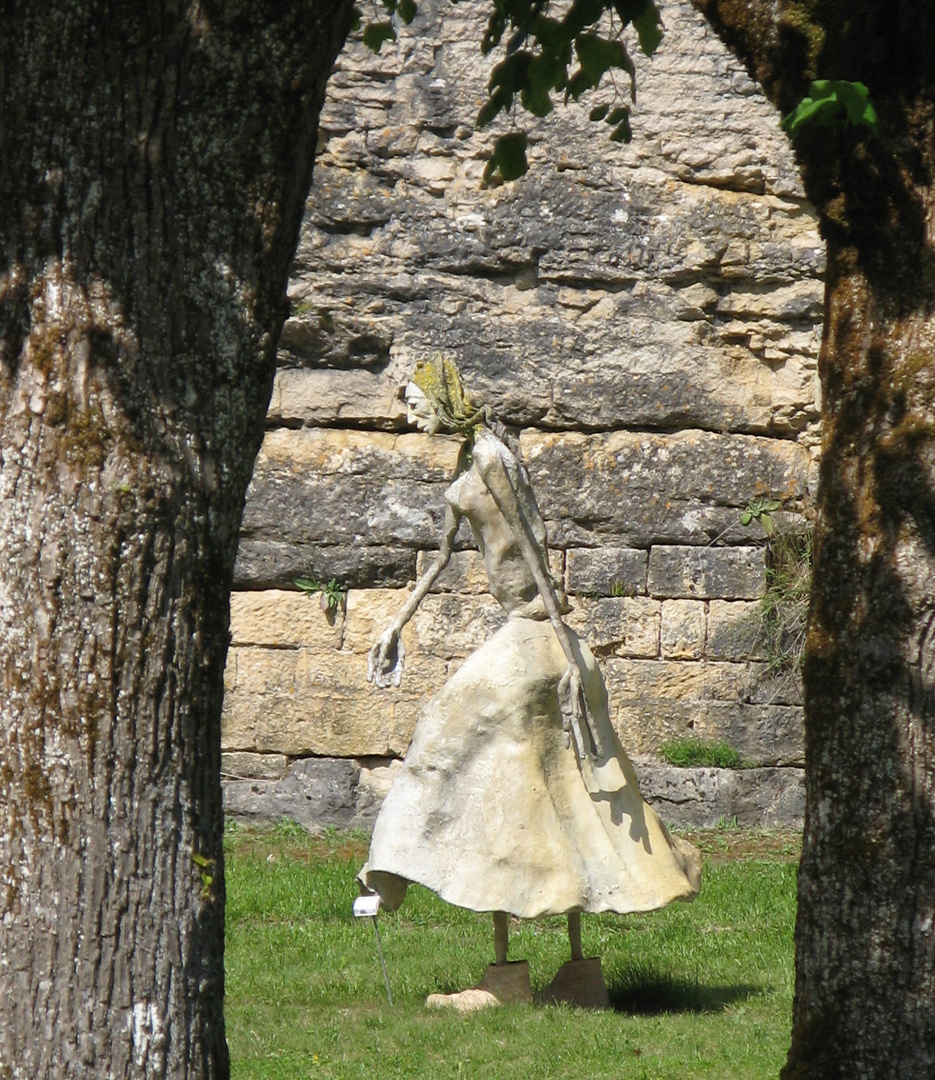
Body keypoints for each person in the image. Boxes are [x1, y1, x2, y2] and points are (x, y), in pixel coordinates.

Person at [360, 357, 700, 1010]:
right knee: (539, 791)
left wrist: (566, 647)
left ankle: (485, 958)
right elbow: (438, 559)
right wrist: (395, 623)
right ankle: (565, 973)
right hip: (531, 633)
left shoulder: (492, 458)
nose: (407, 415)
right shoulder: (467, 465)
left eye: (412, 402)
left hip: (535, 632)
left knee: (449, 737)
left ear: (442, 398)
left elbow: (531, 550)